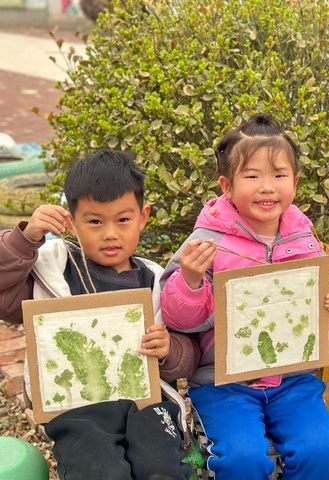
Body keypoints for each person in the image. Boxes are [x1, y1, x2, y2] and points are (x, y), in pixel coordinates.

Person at [160, 113, 329, 480]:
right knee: (242, 460)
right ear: (227, 185)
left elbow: (325, 299)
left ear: (295, 182)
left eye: (279, 175)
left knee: (323, 451)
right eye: (252, 176)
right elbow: (177, 320)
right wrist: (190, 279)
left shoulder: (304, 239)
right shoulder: (206, 242)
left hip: (293, 380)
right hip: (224, 383)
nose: (267, 187)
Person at [0, 149, 199, 480]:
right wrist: (26, 240)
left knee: (164, 467)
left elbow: (187, 352)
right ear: (72, 222)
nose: (110, 234)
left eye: (123, 220)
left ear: (143, 216)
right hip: (78, 410)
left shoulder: (155, 279)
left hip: (147, 405)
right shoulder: (54, 270)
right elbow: (5, 298)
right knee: (100, 471)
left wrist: (168, 349)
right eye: (95, 222)